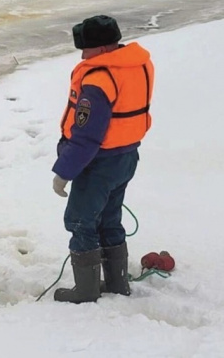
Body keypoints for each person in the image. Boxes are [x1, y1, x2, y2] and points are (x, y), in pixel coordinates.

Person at [51, 15, 154, 303]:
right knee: (109, 218)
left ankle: (85, 292)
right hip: (126, 157)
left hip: (97, 163)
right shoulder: (137, 64)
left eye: (85, 49)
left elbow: (87, 136)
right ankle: (117, 283)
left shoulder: (99, 78)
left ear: (101, 49)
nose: (82, 55)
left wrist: (64, 172)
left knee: (81, 221)